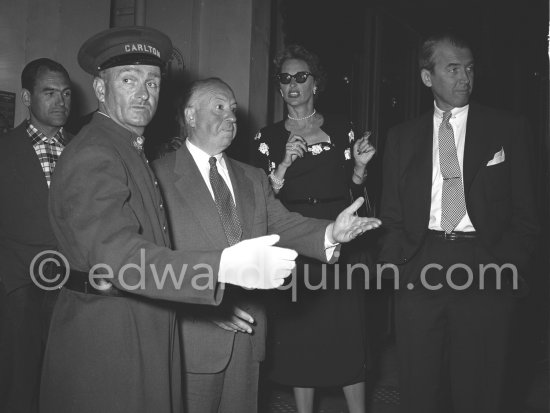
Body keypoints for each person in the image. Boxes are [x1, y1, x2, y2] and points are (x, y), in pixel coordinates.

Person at [40, 26, 307, 413]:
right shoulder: (96, 153)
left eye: (152, 81)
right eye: (128, 80)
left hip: (137, 326)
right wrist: (223, 266)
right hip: (110, 339)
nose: (143, 92)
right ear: (100, 89)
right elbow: (119, 258)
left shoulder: (127, 148)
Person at [152, 77, 381, 413]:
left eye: (232, 109)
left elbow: (284, 224)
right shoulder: (157, 176)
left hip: (248, 337)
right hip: (192, 337)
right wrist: (203, 303)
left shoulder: (252, 178)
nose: (231, 116)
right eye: (219, 107)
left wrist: (332, 232)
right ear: (189, 115)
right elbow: (154, 258)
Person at [379, 32, 538, 413]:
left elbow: (527, 215)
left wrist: (507, 265)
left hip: (484, 263)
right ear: (427, 77)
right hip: (420, 264)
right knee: (419, 387)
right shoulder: (401, 138)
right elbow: (391, 215)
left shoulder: (508, 128)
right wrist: (399, 265)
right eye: (452, 69)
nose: (464, 77)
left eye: (469, 68)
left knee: (480, 389)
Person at [250, 44, 376, 413]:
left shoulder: (342, 129)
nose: (293, 85)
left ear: (315, 84)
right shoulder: (266, 138)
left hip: (340, 236)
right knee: (300, 334)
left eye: (301, 77)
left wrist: (362, 167)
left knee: (347, 332)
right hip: (294, 239)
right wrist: (283, 166)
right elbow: (261, 197)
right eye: (285, 79)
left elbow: (355, 188)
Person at [0, 58, 72, 413]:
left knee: (64, 386)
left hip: (75, 288)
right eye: (49, 92)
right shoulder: (4, 150)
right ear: (27, 98)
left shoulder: (84, 149)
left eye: (66, 93)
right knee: (19, 387)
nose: (61, 101)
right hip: (19, 290)